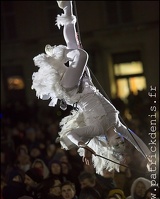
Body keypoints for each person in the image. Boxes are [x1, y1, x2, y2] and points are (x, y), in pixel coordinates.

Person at [32, 1, 151, 175]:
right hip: (86, 82)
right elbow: (136, 140)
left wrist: (84, 145)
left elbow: (72, 134)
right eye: (122, 143)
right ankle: (66, 6)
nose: (120, 141)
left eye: (116, 145)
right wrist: (149, 157)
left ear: (108, 143)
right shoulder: (117, 124)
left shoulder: (96, 129)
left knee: (80, 54)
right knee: (74, 43)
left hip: (73, 89)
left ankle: (58, 54)